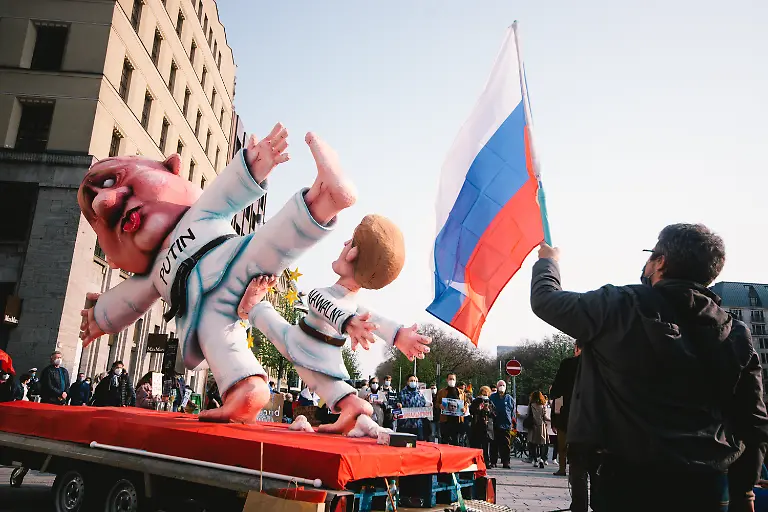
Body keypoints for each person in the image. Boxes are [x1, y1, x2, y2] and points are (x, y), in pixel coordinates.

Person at [531, 224, 768, 512]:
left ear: (660, 262)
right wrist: (745, 491)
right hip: (708, 482)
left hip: (627, 480)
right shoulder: (736, 333)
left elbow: (546, 300)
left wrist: (549, 262)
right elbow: (754, 421)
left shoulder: (618, 305)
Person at [550, 342, 582, 477]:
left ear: (576, 348)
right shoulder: (599, 364)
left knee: (563, 444)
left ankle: (564, 469)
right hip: (589, 415)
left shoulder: (568, 364)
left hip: (568, 412)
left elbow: (556, 391)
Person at [490, 379, 515, 469]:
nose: (501, 387)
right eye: (500, 385)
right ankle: (493, 461)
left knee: (506, 445)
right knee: (494, 444)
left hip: (506, 425)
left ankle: (506, 462)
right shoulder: (492, 397)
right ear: (497, 387)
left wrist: (511, 422)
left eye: (503, 385)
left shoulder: (509, 398)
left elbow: (512, 411)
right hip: (495, 424)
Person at [436, 373, 467, 446]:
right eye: (450, 379)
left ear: (455, 380)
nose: (451, 380)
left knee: (456, 442)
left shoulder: (461, 392)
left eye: (453, 379)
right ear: (447, 380)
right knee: (444, 442)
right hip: (445, 420)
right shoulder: (441, 392)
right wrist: (440, 405)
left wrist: (464, 409)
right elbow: (436, 403)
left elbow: (465, 404)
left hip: (457, 421)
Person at [469, 386, 496, 467]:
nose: (485, 393)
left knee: (486, 445)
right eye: (483, 391)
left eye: (486, 392)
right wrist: (479, 409)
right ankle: (476, 462)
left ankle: (486, 462)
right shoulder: (476, 401)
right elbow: (471, 411)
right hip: (477, 426)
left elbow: (494, 414)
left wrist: (488, 410)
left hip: (487, 427)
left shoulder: (490, 402)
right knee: (477, 445)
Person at [397, 374, 427, 439]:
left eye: (415, 381)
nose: (414, 382)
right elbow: (395, 405)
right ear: (407, 382)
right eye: (411, 381)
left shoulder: (420, 394)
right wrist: (398, 405)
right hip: (404, 425)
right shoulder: (401, 393)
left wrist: (429, 406)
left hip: (417, 425)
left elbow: (424, 405)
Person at [527, 391, 549, 468]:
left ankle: (535, 460)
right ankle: (541, 459)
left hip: (533, 426)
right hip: (541, 426)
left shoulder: (531, 405)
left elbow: (528, 415)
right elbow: (544, 416)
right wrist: (550, 420)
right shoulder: (543, 405)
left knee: (533, 444)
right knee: (542, 443)